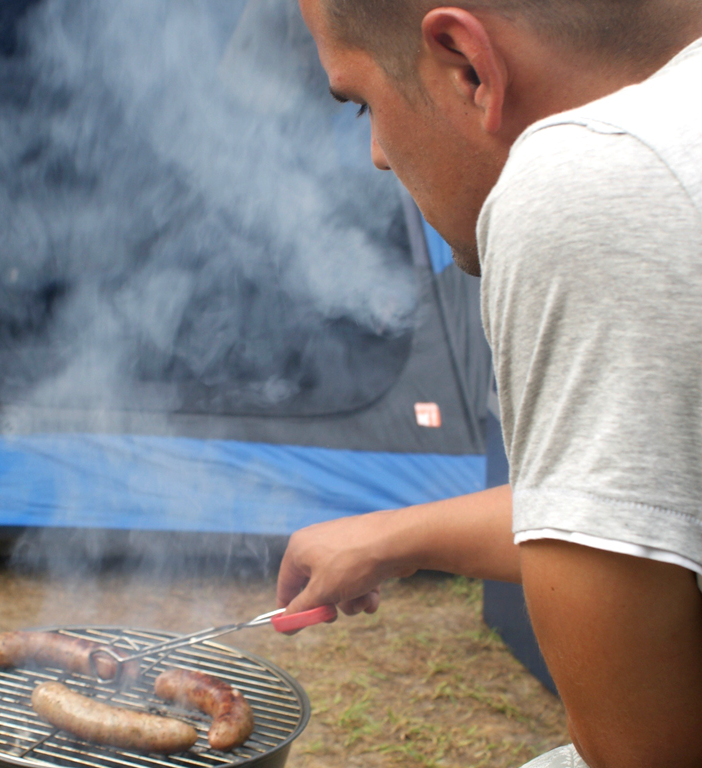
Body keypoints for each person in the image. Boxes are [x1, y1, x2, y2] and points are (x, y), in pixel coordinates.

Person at [275, 1, 702, 766]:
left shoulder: (595, 181)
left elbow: (639, 754)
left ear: (467, 66)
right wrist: (394, 538)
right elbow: (661, 506)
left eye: (363, 102)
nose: (376, 153)